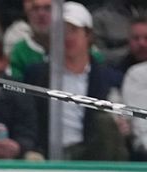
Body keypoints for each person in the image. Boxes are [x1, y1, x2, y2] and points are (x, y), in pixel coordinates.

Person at [21, 2, 127, 162]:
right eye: (61, 31)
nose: (67, 37)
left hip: (94, 156)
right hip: (47, 155)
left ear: (88, 35)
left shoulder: (108, 77)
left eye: (73, 30)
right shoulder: (36, 75)